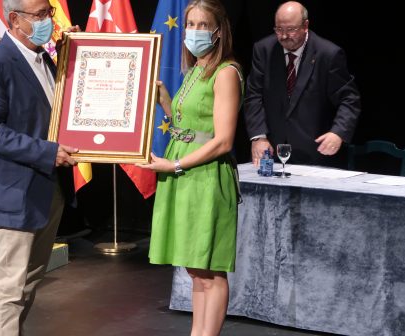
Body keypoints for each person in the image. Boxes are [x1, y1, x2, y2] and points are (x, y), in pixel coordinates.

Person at [0, 0, 79, 334]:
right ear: (14, 20)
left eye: (50, 13)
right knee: (9, 287)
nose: (49, 20)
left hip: (48, 188)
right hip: (14, 191)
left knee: (29, 280)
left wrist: (75, 53)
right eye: (41, 15)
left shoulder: (44, 57)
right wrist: (47, 152)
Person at [137, 0, 242, 334]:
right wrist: (166, 100)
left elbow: (223, 140)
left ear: (218, 30)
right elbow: (189, 126)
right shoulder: (196, 69)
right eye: (190, 24)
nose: (194, 32)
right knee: (196, 269)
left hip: (205, 177)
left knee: (210, 270)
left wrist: (176, 164)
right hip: (185, 175)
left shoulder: (225, 72)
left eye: (202, 25)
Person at [243, 1, 361, 167]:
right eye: (279, 29)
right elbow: (253, 95)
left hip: (314, 155)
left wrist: (338, 133)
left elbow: (349, 99)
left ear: (305, 26)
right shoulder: (264, 50)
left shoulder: (328, 54)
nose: (284, 36)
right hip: (269, 153)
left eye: (290, 29)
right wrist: (258, 136)